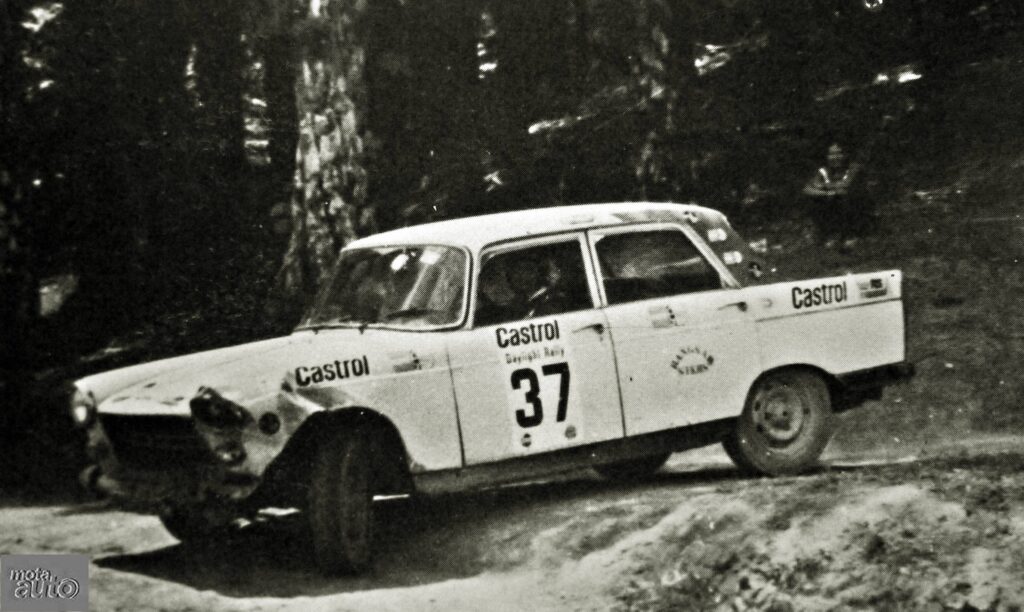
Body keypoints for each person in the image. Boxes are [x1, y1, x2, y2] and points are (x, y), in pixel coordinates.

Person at [803, 143, 868, 249]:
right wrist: (827, 193)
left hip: (855, 205)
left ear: (845, 155)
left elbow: (846, 186)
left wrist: (825, 186)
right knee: (818, 200)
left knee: (845, 198)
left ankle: (851, 235)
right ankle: (832, 235)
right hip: (833, 204)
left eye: (839, 153)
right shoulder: (823, 171)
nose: (835, 157)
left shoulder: (853, 168)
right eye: (832, 154)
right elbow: (808, 189)